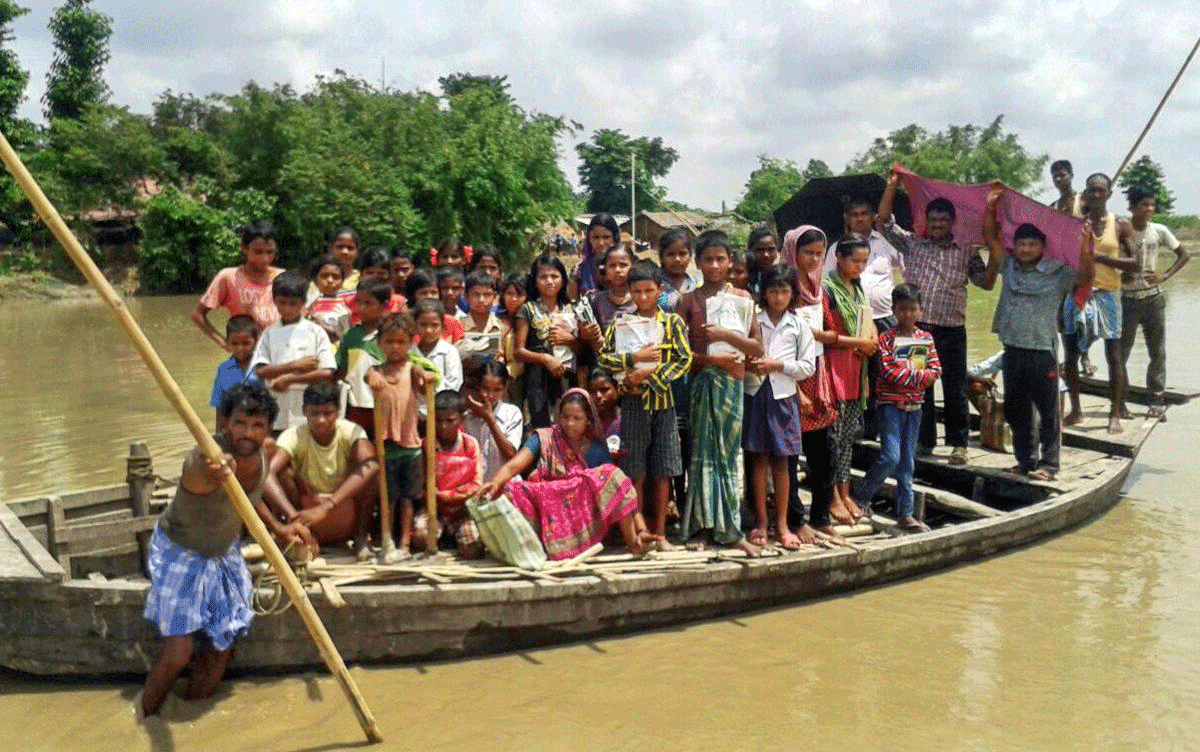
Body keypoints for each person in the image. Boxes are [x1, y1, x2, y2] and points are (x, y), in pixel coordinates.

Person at [140, 383, 305, 718]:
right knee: (177, 654)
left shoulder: (264, 453)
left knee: (222, 646)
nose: (247, 433)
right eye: (240, 424)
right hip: (181, 551)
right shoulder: (207, 460)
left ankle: (193, 714)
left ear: (267, 429)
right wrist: (214, 472)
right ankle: (145, 719)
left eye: (257, 426)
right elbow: (198, 475)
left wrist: (279, 528)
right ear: (225, 424)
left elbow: (250, 500)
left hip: (224, 551)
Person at [980, 187, 1096, 478]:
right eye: (1021, 244)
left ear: (1042, 247)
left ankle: (1049, 464)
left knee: (1048, 412)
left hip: (1042, 352)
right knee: (1017, 411)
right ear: (1015, 247)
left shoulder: (1058, 273)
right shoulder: (1009, 265)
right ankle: (1026, 461)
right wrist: (991, 208)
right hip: (1012, 350)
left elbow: (1085, 278)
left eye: (1032, 244)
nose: (1026, 249)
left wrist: (1084, 247)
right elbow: (991, 240)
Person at [878, 168, 986, 464]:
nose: (937, 224)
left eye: (943, 220)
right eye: (933, 219)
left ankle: (959, 444)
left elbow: (986, 283)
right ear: (926, 221)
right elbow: (884, 222)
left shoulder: (965, 252)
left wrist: (997, 254)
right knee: (918, 385)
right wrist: (891, 186)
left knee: (956, 387)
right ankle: (924, 442)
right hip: (918, 329)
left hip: (952, 328)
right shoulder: (913, 244)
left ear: (953, 223)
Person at [478, 389, 658, 558]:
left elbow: (620, 489)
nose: (569, 423)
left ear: (588, 419)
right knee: (510, 490)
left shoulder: (596, 448)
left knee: (612, 474)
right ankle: (529, 549)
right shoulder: (544, 438)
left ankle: (634, 543)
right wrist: (494, 483)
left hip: (582, 511)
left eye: (576, 418)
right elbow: (513, 466)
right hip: (546, 503)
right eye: (565, 417)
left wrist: (642, 529)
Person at [676, 230, 764, 555]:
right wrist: (710, 358)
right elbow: (678, 354)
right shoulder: (688, 301)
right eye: (708, 259)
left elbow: (757, 346)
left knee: (727, 457)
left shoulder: (743, 300)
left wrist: (727, 335)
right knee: (701, 457)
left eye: (720, 259)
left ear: (730, 262)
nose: (714, 265)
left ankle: (730, 529)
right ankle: (700, 526)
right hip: (701, 383)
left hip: (733, 384)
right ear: (698, 263)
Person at [597, 260, 692, 549]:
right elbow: (604, 358)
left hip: (663, 404)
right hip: (633, 405)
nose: (642, 297)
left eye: (648, 291)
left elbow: (684, 359)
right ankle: (637, 532)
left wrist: (649, 375)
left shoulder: (672, 322)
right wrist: (633, 360)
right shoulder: (621, 323)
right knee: (634, 469)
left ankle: (661, 533)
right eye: (636, 291)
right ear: (630, 291)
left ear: (659, 290)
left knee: (662, 470)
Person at [852, 284, 941, 531]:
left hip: (915, 407)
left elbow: (935, 371)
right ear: (893, 310)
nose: (908, 314)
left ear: (920, 310)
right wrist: (918, 376)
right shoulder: (886, 339)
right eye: (902, 309)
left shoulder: (926, 338)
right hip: (890, 405)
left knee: (907, 462)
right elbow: (889, 373)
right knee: (891, 456)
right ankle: (861, 497)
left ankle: (905, 513)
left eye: (913, 309)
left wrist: (914, 376)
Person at [744, 265, 816, 550]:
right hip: (754, 392)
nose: (777, 297)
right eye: (772, 291)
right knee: (758, 460)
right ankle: (762, 522)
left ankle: (784, 525)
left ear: (792, 294)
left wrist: (778, 365)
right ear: (764, 293)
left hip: (784, 397)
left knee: (783, 463)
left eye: (784, 291)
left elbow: (808, 367)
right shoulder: (754, 320)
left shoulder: (799, 326)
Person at [263, 382, 380, 559]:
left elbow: (371, 465)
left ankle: (360, 538)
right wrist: (294, 516)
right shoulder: (294, 435)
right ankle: (301, 532)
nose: (321, 420)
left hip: (343, 506)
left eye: (328, 413)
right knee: (282, 472)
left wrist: (328, 505)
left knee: (370, 471)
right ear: (304, 411)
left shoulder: (351, 431)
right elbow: (267, 474)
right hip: (307, 513)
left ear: (338, 411)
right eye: (315, 414)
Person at [1063, 173, 1140, 434]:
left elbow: (1135, 263)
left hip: (1108, 294)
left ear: (1108, 194)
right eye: (1091, 190)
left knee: (1114, 356)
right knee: (1071, 355)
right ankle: (1075, 410)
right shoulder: (1076, 225)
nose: (1096, 195)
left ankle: (1114, 412)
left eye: (1101, 190)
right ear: (1085, 193)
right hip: (1078, 292)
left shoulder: (1120, 225)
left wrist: (1101, 258)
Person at [823, 196, 904, 441]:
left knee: (885, 373)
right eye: (854, 214)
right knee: (857, 371)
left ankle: (884, 427)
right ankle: (858, 424)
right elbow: (828, 282)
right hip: (849, 320)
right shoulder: (837, 248)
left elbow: (908, 271)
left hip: (883, 317)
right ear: (847, 219)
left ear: (873, 217)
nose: (860, 218)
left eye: (864, 214)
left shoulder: (888, 243)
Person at [817, 235, 880, 523]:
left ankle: (844, 492)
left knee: (849, 436)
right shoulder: (826, 289)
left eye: (864, 261)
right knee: (834, 437)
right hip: (836, 367)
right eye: (854, 260)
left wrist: (872, 339)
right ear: (839, 258)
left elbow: (868, 321)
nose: (859, 267)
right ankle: (832, 495)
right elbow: (825, 336)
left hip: (857, 368)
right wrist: (859, 342)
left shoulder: (858, 288)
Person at [785, 226, 841, 541]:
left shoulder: (820, 288)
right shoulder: (786, 287)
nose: (814, 259)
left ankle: (821, 516)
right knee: (789, 457)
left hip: (818, 379)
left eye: (819, 253)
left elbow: (832, 331)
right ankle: (796, 519)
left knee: (825, 455)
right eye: (808, 253)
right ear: (794, 252)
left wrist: (822, 335)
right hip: (791, 381)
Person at [1119, 187, 1189, 419]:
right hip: (1126, 299)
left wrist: (1165, 276)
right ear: (1132, 208)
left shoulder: (1159, 231)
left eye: (1151, 205)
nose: (1149, 209)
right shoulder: (1121, 230)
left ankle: (1156, 398)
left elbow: (1184, 255)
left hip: (1153, 298)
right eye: (1143, 205)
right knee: (1121, 353)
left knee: (1157, 351)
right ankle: (1121, 399)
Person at [366, 314, 431, 560]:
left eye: (401, 342)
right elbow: (369, 376)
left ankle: (404, 543)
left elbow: (423, 379)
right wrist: (372, 376)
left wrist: (426, 378)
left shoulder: (412, 368)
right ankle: (387, 541)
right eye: (389, 342)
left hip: (410, 444)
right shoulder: (376, 370)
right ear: (380, 344)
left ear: (409, 343)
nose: (395, 347)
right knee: (387, 497)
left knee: (407, 499)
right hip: (386, 445)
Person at [250, 272, 336, 432]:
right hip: (276, 411)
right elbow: (260, 370)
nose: (287, 308)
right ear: (274, 301)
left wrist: (290, 379)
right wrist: (294, 365)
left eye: (293, 303)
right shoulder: (269, 333)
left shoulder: (315, 332)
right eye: (282, 303)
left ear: (303, 302)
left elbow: (328, 373)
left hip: (310, 412)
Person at [191, 220, 283, 348]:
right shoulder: (229, 277)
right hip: (248, 352)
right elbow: (198, 314)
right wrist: (223, 342)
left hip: (280, 349)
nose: (265, 258)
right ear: (244, 248)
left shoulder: (283, 277)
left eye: (270, 252)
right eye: (258, 252)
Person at [418, 390, 485, 558]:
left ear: (462, 419)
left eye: (450, 421)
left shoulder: (470, 445)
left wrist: (447, 495)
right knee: (421, 539)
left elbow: (476, 484)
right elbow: (422, 483)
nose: (443, 426)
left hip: (461, 511)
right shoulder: (426, 445)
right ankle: (442, 536)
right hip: (434, 510)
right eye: (438, 421)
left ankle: (455, 537)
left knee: (473, 549)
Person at [515, 255, 578, 428]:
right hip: (537, 381)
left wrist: (570, 340)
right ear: (535, 282)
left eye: (554, 276)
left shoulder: (572, 309)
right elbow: (518, 352)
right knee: (541, 430)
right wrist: (545, 359)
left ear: (563, 280)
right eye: (543, 277)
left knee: (567, 426)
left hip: (566, 378)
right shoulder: (527, 309)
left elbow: (583, 348)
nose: (549, 281)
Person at [334, 279, 391, 437]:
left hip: (387, 404)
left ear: (384, 306)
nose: (361, 308)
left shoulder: (392, 335)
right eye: (359, 302)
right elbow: (342, 369)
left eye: (368, 303)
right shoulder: (351, 336)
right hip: (356, 405)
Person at [464, 361, 524, 479]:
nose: (490, 396)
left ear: (505, 388)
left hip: (506, 487)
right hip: (479, 487)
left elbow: (511, 455)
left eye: (497, 390)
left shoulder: (512, 413)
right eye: (485, 389)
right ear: (478, 387)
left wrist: (490, 420)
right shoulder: (468, 418)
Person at [209, 315, 260, 431]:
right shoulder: (224, 369)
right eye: (234, 344)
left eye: (246, 343)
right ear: (227, 342)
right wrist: (219, 437)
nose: (240, 348)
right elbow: (219, 407)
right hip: (233, 429)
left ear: (256, 341)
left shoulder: (264, 367)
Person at [411, 299, 463, 406]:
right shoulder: (410, 353)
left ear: (443, 327)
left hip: (440, 411)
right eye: (423, 325)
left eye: (434, 325)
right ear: (415, 326)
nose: (429, 330)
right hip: (413, 411)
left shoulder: (449, 352)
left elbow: (454, 384)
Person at [457, 270, 504, 380]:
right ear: (466, 297)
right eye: (476, 294)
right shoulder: (458, 325)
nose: (481, 300)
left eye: (487, 295)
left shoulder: (502, 327)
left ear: (495, 297)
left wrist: (501, 360)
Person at [406, 269, 465, 343]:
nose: (429, 297)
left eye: (434, 293)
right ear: (413, 296)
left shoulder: (452, 323)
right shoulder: (405, 324)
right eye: (423, 293)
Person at [498, 270, 528, 406]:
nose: (514, 299)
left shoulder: (531, 322)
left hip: (526, 380)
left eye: (519, 294)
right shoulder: (496, 321)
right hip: (505, 380)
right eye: (510, 294)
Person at [573, 213, 621, 297]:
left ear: (614, 238)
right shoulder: (581, 270)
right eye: (596, 237)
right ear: (589, 239)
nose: (601, 243)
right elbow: (573, 300)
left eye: (606, 237)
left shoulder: (627, 267)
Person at [307, 254, 351, 343]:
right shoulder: (306, 304)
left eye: (335, 277)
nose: (330, 280)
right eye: (324, 276)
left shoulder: (348, 305)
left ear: (342, 282)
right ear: (316, 280)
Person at [657, 229, 697, 310]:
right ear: (661, 257)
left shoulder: (697, 285)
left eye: (682, 254)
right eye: (670, 254)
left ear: (690, 256)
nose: (677, 259)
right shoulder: (654, 286)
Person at [587, 368, 623, 451]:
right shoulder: (587, 426)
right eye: (593, 392)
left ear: (618, 389)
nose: (598, 396)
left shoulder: (629, 422)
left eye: (604, 390)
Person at [744, 227, 779, 297]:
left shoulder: (784, 274)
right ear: (751, 250)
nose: (766, 255)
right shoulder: (745, 275)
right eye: (760, 250)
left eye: (771, 249)